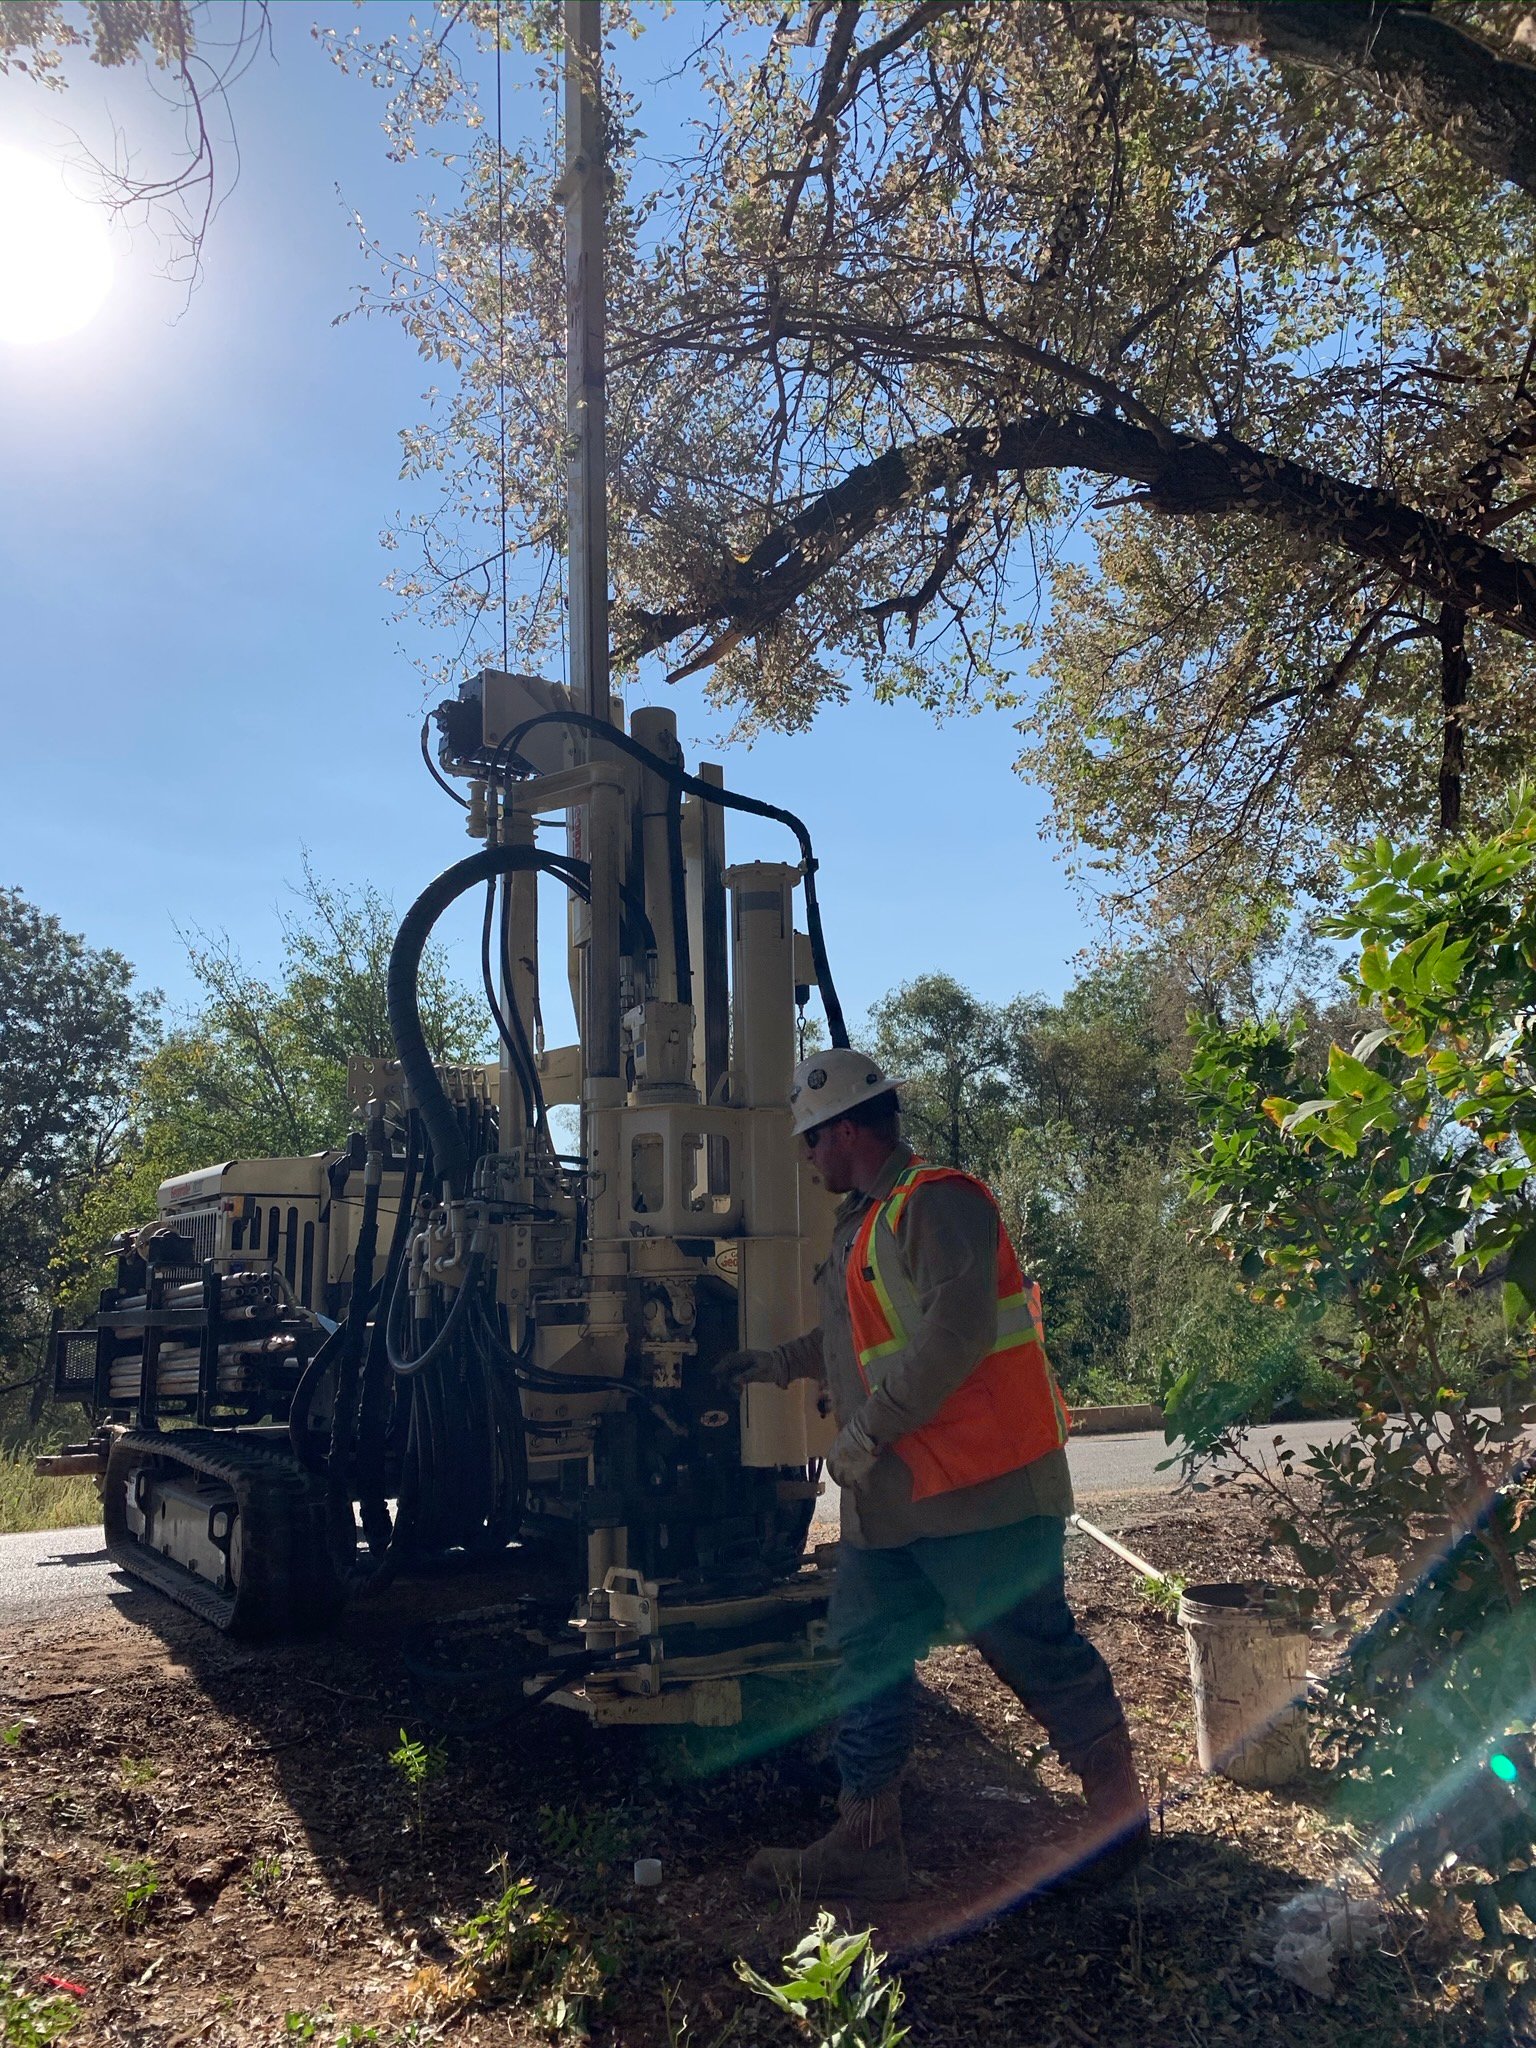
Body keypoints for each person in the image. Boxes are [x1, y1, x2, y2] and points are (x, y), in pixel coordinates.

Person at [718, 1048, 1147, 1902]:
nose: (806, 1157)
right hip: (897, 1502)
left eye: (811, 1140)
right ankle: (867, 1836)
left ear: (847, 1131)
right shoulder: (865, 1222)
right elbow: (855, 1336)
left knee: (1030, 1648)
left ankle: (1118, 1817)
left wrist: (866, 1432)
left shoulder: (937, 1202)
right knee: (867, 1650)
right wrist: (775, 1364)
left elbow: (957, 1334)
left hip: (983, 1490)